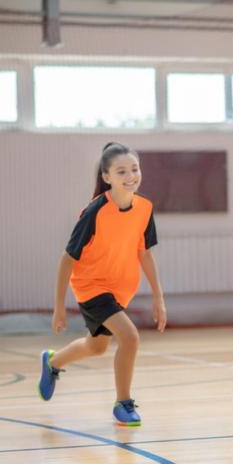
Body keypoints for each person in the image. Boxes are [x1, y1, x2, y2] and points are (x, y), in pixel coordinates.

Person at [38, 142, 167, 426]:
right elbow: (67, 259)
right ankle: (123, 403)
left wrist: (159, 298)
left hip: (120, 290)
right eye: (121, 171)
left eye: (134, 169)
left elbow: (145, 253)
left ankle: (52, 362)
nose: (131, 175)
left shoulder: (144, 208)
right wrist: (59, 307)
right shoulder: (95, 211)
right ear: (107, 177)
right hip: (91, 286)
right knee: (130, 337)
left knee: (95, 347)